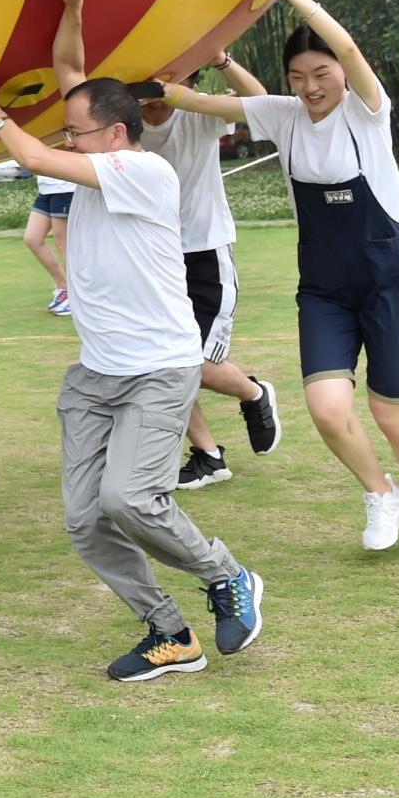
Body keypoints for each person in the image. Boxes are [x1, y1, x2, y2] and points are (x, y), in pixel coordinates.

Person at [0, 0, 262, 680]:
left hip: (160, 371)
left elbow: (35, 152)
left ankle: (228, 575)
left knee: (129, 498)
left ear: (117, 132)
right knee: (86, 521)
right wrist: (73, 7)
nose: (66, 140)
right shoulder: (97, 155)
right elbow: (70, 72)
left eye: (79, 133)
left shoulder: (142, 172)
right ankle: (170, 634)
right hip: (97, 375)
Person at [165, 0, 399, 564]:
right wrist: (144, 81)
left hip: (388, 276)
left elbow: (349, 51)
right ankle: (382, 496)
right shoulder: (285, 115)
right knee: (327, 411)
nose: (310, 87)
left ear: (340, 73)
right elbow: (200, 105)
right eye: (298, 76)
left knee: (391, 412)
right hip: (323, 284)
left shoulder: (366, 114)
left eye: (319, 73)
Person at [131, 46, 282, 489]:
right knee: (159, 364)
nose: (156, 93)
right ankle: (208, 455)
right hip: (153, 256)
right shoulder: (127, 125)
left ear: (189, 83)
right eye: (148, 84)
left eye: (168, 82)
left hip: (204, 251)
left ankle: (253, 393)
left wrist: (220, 57)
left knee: (191, 363)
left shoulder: (199, 114)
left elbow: (262, 103)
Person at [23, 173, 72, 315]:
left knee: (63, 243)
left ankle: (78, 296)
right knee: (33, 239)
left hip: (65, 188)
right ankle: (64, 286)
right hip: (47, 188)